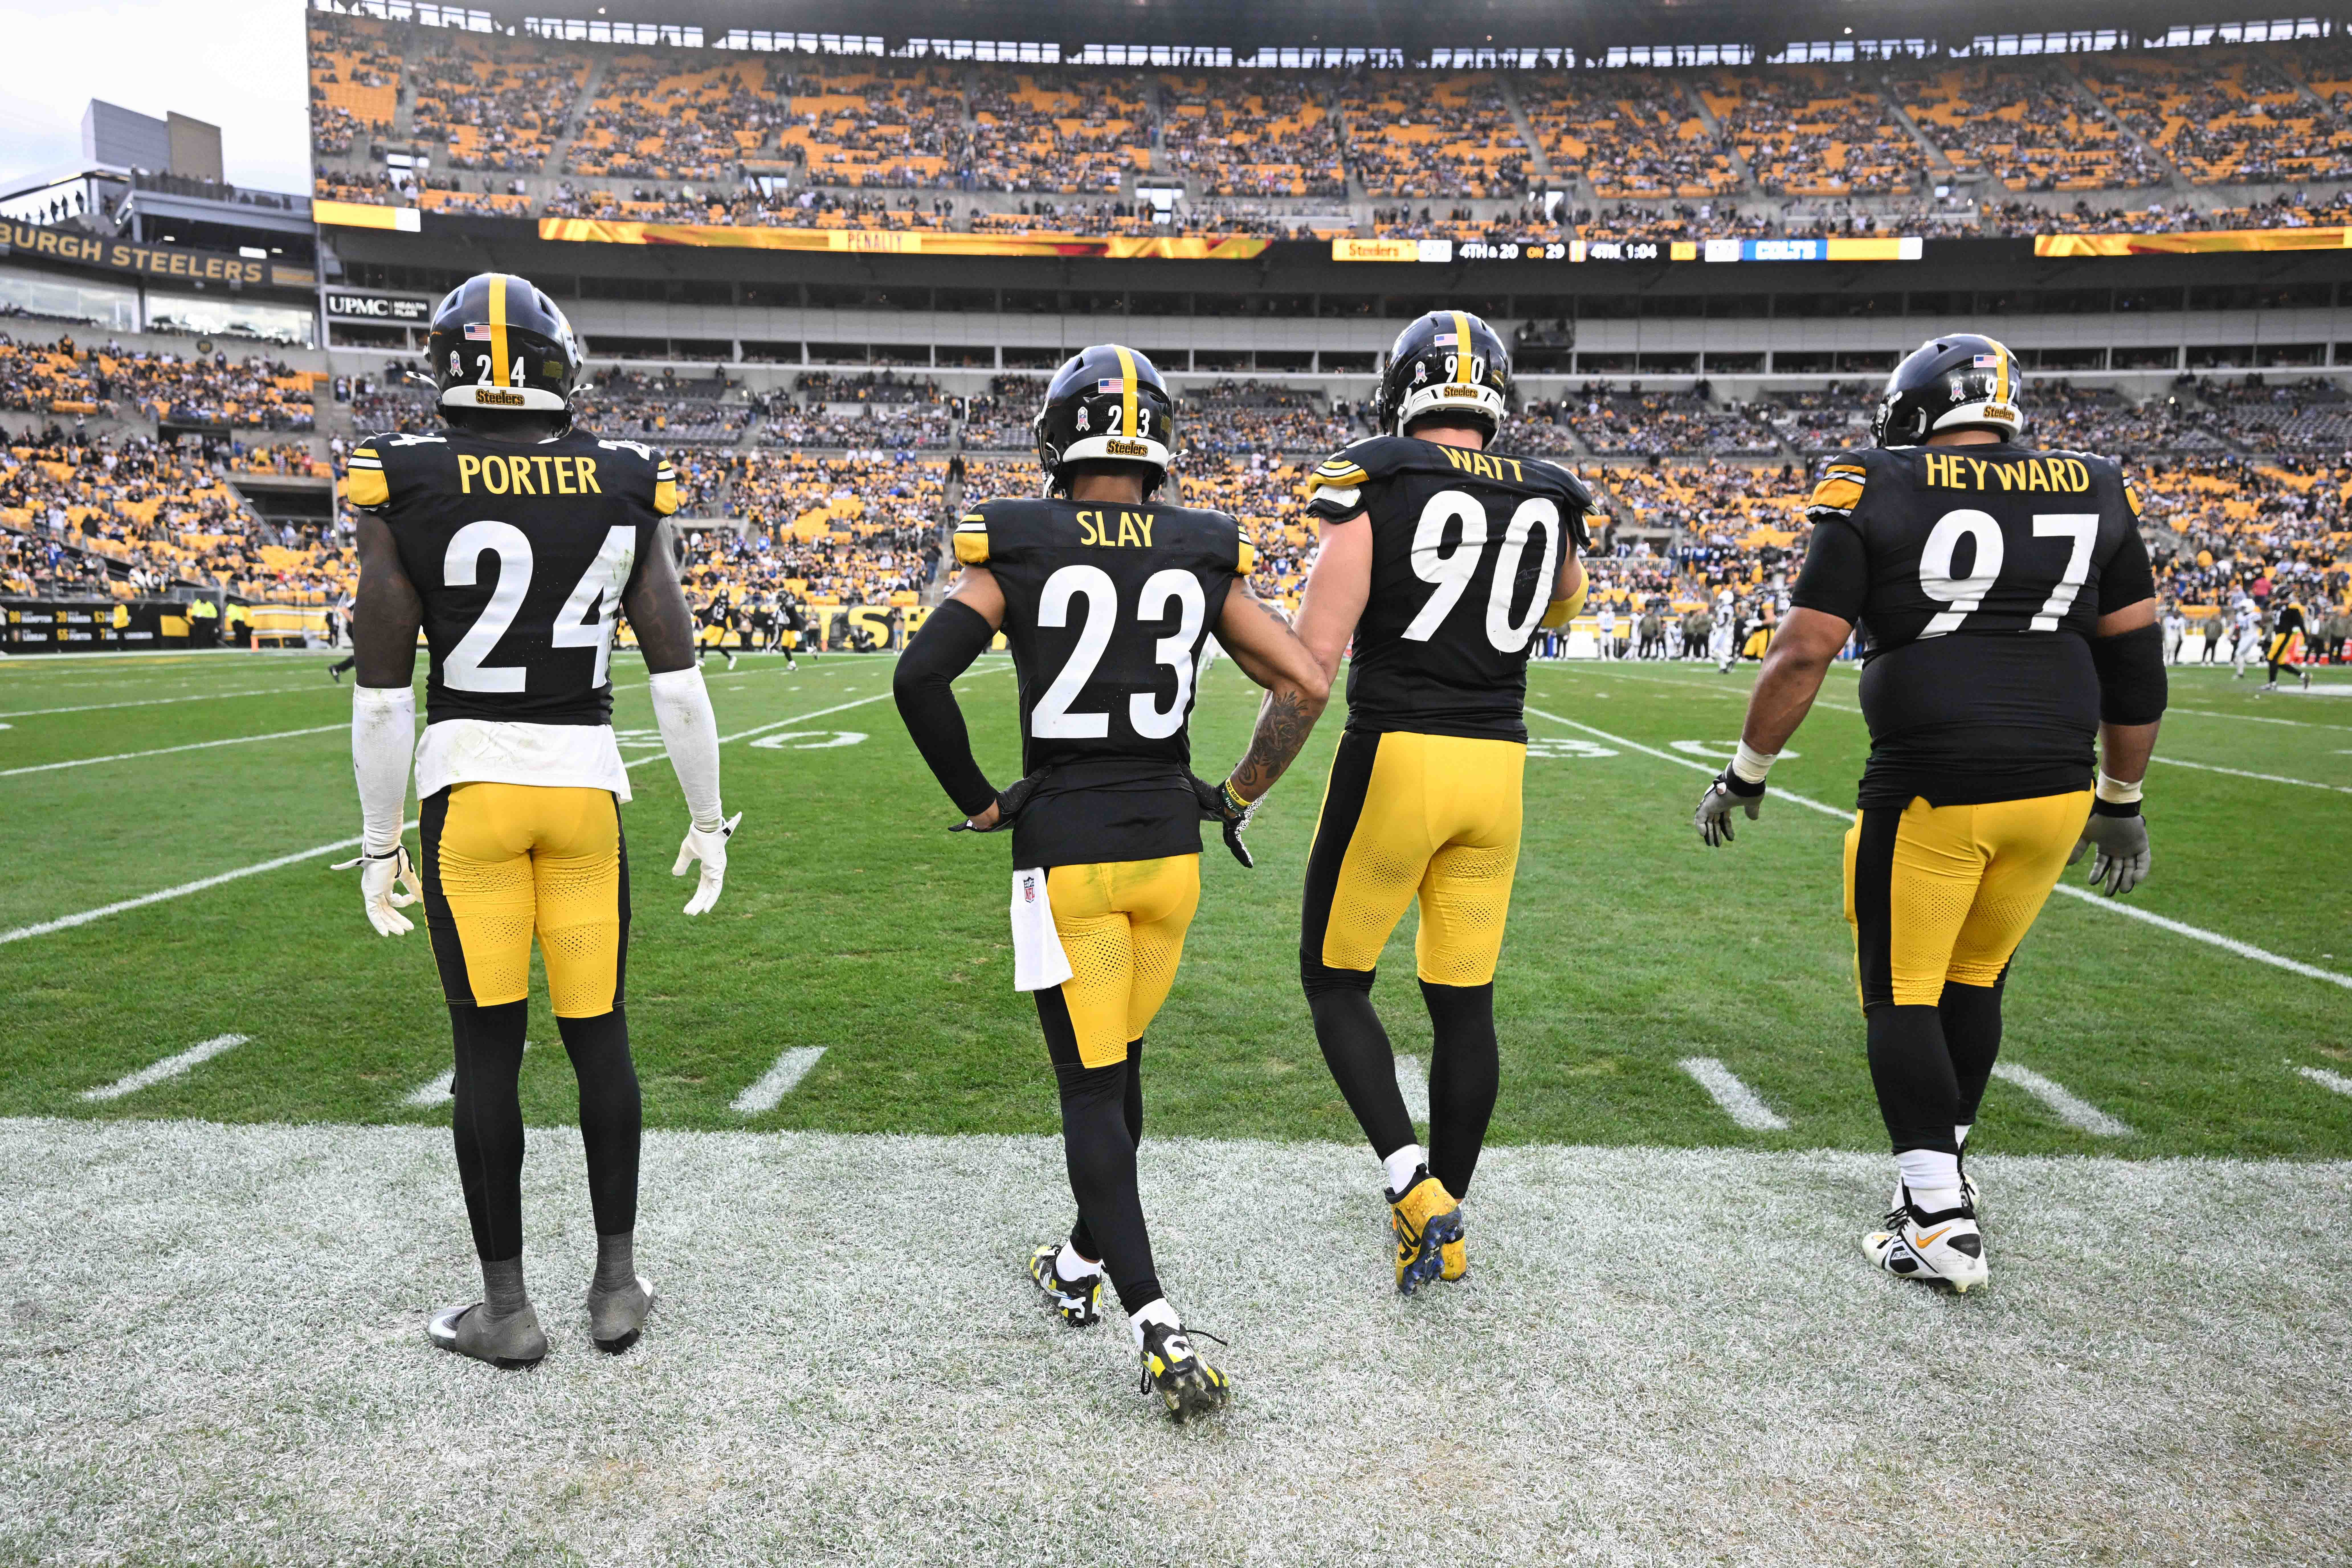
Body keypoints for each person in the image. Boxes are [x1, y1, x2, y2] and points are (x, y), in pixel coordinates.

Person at [892, 344, 1328, 1421]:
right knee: (1120, 1065)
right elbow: (1308, 681)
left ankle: (1154, 1321)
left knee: (1091, 1088)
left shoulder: (1020, 541)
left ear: (1057, 441)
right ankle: (1080, 1263)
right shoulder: (1201, 548)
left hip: (1067, 852)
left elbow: (918, 675)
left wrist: (984, 797)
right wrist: (1233, 792)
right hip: (1167, 857)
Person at [1692, 334, 2164, 1295]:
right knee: (1976, 976)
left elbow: (1800, 653)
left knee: (1900, 990)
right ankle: (1943, 1171)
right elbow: (2134, 664)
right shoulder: (2097, 483)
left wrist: (1745, 771)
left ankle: (1936, 1221)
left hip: (1931, 782)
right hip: (2056, 788)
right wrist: (2121, 796)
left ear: (1916, 407)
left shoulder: (1873, 479)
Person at [337, 271, 741, 1369]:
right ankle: (616, 1287)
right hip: (584, 790)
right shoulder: (619, 480)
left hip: (467, 787)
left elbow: (380, 692)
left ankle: (506, 1310)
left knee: (488, 1053)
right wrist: (707, 819)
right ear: (563, 368)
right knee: (599, 1034)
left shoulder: (404, 478)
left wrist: (379, 842)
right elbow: (678, 677)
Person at [1286, 310, 1593, 1294]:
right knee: (1464, 1002)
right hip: (1497, 766)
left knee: (1336, 980)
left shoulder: (1374, 475)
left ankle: (1414, 1190)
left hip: (1398, 756)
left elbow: (1309, 667)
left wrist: (1249, 781)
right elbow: (1564, 603)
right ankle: (1447, 1212)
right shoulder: (1550, 492)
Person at [2257, 596, 2310, 693]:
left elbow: (2300, 623)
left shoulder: (2292, 608)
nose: (2281, 601)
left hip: (2285, 635)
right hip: (2280, 636)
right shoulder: (2279, 607)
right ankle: (2303, 676)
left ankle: (2272, 683)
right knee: (2280, 662)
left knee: (2272, 657)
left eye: (2283, 599)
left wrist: (2306, 637)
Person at [2160, 601, 2185, 666]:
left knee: (2173, 650)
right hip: (2168, 637)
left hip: (2175, 638)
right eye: (2176, 612)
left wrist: (2182, 638)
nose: (2177, 614)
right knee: (2167, 650)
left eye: (2178, 613)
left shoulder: (2181, 620)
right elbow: (2164, 628)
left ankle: (2171, 661)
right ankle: (2165, 661)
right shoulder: (2168, 619)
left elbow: (2182, 630)